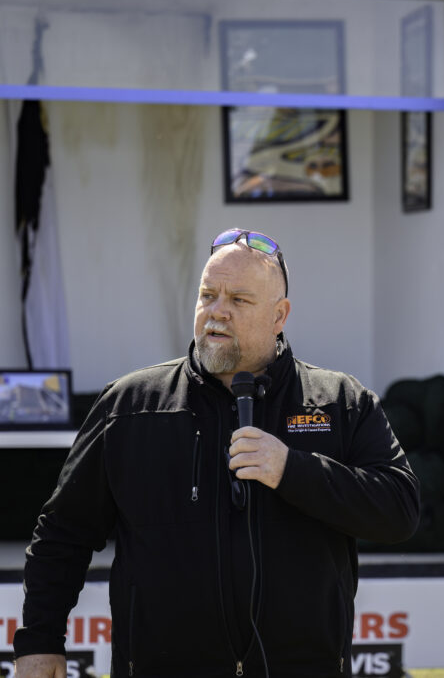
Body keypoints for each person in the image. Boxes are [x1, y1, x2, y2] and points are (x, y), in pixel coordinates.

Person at [13, 229, 421, 677]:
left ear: (279, 315)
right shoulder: (130, 407)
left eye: (239, 300)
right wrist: (39, 641)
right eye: (208, 295)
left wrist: (292, 469)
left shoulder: (339, 401)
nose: (217, 312)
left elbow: (399, 510)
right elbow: (62, 534)